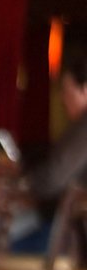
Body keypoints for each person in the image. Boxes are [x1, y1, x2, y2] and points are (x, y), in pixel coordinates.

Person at [28, 42, 87, 205]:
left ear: (85, 90)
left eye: (67, 91)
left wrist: (21, 183)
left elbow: (53, 178)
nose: (62, 99)